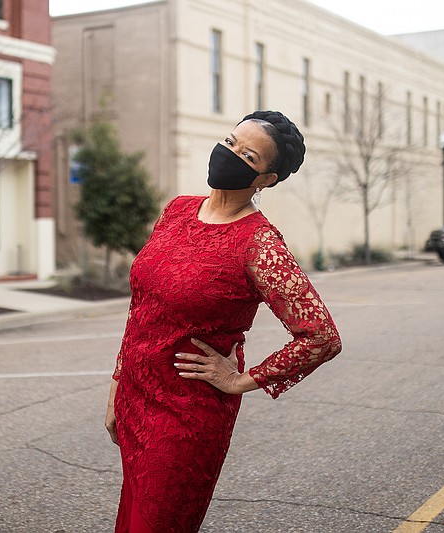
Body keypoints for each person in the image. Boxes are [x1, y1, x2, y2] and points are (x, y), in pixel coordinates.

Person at [104, 110, 342, 532]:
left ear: (266, 179)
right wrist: (117, 387)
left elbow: (320, 336)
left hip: (186, 414)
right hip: (135, 396)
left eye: (247, 156)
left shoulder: (260, 243)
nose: (228, 154)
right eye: (230, 142)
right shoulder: (177, 211)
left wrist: (240, 381)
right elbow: (142, 308)